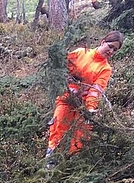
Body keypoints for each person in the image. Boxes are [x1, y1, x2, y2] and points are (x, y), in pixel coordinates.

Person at [45, 30, 124, 169]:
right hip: (66, 98)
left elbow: (96, 91)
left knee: (81, 135)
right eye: (110, 46)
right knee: (58, 126)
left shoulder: (105, 69)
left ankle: (71, 165)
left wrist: (90, 110)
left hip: (84, 105)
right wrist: (69, 85)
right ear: (103, 42)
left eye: (115, 50)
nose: (111, 51)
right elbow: (63, 70)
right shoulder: (81, 52)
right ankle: (50, 161)